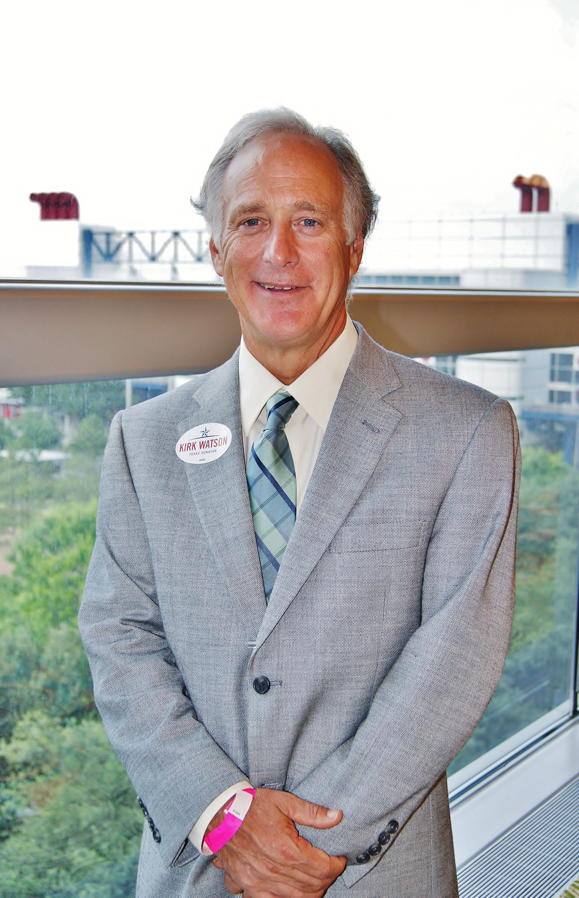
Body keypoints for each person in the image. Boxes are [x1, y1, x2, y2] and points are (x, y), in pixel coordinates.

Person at [79, 108, 520, 898]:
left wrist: (304, 845)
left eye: (308, 221)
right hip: (196, 871)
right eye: (251, 220)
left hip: (368, 874)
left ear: (353, 248)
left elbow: (453, 659)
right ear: (216, 251)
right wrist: (224, 816)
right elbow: (121, 643)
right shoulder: (142, 442)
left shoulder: (466, 431)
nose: (278, 252)